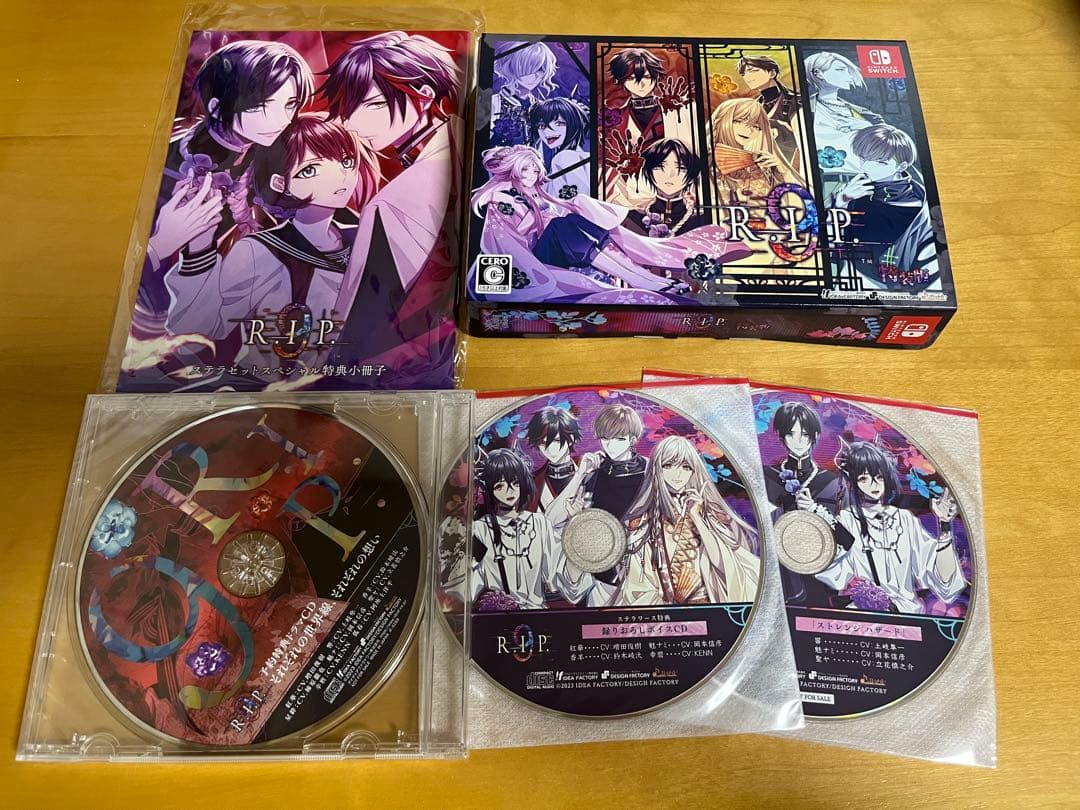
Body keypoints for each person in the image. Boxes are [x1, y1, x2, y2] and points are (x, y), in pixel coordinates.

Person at [163, 116, 379, 381]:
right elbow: (197, 335)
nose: (340, 176)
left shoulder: (365, 238)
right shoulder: (259, 251)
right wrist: (200, 246)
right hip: (272, 392)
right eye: (311, 170)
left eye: (346, 162)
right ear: (279, 183)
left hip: (355, 386)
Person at [317, 32, 463, 383]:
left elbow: (357, 330)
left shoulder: (392, 203)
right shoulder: (460, 137)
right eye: (348, 108)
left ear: (423, 97)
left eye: (371, 105)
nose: (351, 123)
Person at [138, 41, 314, 323]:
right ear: (217, 108)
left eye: (290, 105)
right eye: (263, 106)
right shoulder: (166, 167)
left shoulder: (279, 152)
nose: (282, 120)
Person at [469, 145, 751, 300]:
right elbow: (504, 245)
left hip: (560, 250)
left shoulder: (538, 193)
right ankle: (643, 280)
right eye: (525, 170)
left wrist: (576, 206)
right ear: (511, 171)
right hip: (530, 262)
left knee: (574, 219)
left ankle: (647, 280)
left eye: (534, 169)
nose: (531, 174)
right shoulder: (500, 199)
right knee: (563, 226)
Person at [816, 441, 966, 614]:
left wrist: (945, 525)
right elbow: (835, 575)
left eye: (879, 477)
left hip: (907, 614)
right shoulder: (846, 519)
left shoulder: (905, 519)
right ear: (852, 481)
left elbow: (944, 582)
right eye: (863, 478)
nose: (873, 484)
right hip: (862, 614)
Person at [617, 436, 760, 606]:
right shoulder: (642, 522)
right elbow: (638, 584)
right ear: (656, 469)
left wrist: (697, 518)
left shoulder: (712, 513)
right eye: (668, 465)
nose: (677, 474)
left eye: (686, 467)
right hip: (663, 610)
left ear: (694, 470)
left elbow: (727, 567)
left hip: (711, 607)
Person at [456, 448, 593, 610]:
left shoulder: (539, 524)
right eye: (500, 486)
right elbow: (468, 591)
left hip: (536, 615)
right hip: (497, 615)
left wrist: (575, 528)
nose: (509, 491)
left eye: (515, 483)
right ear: (489, 489)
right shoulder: (480, 530)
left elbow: (566, 580)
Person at [830, 124, 940, 290]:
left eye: (880, 163)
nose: (865, 167)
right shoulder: (855, 190)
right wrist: (841, 202)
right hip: (851, 275)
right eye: (863, 158)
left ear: (902, 166)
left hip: (895, 286)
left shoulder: (920, 206)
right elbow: (830, 245)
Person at [761, 401, 843, 605]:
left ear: (814, 436)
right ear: (782, 436)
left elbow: (846, 537)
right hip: (775, 571)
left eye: (805, 435)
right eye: (791, 434)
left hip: (818, 572)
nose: (798, 441)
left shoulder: (831, 481)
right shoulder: (767, 476)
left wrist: (814, 510)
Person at [710, 97, 803, 206]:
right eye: (740, 121)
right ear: (723, 119)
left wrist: (784, 172)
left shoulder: (758, 163)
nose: (749, 131)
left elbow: (796, 206)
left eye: (756, 126)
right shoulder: (707, 161)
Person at [625, 138, 708, 238]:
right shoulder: (632, 219)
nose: (670, 174)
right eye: (661, 167)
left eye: (681, 168)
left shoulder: (702, 221)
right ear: (648, 171)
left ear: (692, 176)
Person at [524, 406, 582, 519]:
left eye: (556, 441)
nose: (550, 449)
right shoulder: (532, 482)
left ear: (571, 439)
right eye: (543, 443)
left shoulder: (589, 471)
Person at [528, 97, 591, 199]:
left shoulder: (564, 158)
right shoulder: (565, 157)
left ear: (573, 123)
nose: (547, 132)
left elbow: (577, 200)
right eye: (542, 126)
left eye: (558, 123)